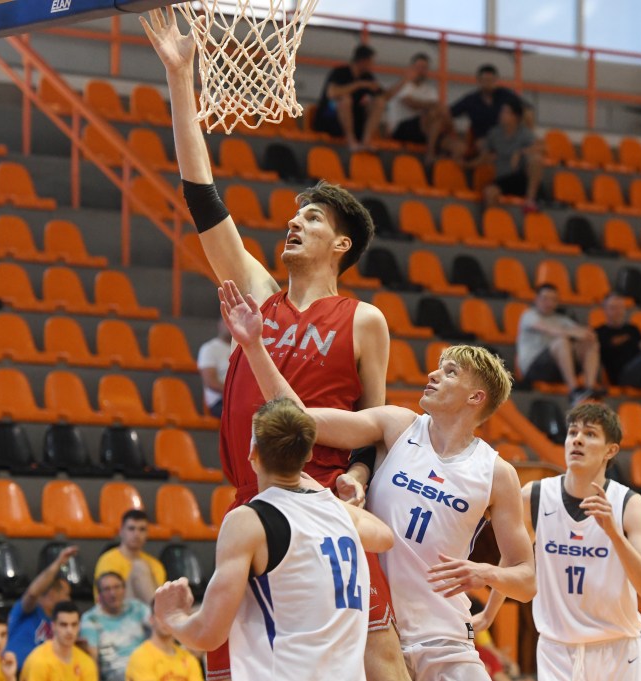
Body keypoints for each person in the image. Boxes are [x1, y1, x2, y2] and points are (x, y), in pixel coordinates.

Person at [140, 8, 401, 681]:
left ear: (341, 243)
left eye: (310, 217)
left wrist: (360, 478)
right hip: (253, 497)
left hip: (320, 501)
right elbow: (203, 198)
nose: (294, 220)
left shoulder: (364, 318)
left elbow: (374, 426)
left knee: (378, 653)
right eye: (293, 213)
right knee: (227, 663)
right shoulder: (256, 289)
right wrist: (180, 78)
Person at [221, 279, 535, 681]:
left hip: (446, 640)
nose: (433, 375)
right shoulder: (397, 425)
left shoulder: (496, 473)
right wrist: (253, 347)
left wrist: (486, 577)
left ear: (476, 398)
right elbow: (300, 418)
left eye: (450, 372)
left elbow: (527, 579)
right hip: (374, 631)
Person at [151, 397, 395, 681]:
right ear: (307, 456)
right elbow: (384, 538)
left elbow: (208, 635)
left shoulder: (248, 521)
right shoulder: (340, 515)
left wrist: (172, 617)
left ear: (253, 453)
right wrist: (324, 496)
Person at [511, 403, 641, 681]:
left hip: (617, 651)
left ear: (610, 450)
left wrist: (614, 535)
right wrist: (488, 612)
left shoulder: (629, 505)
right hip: (556, 650)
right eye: (572, 432)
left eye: (590, 434)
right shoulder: (534, 496)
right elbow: (513, 562)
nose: (577, 439)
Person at [516, 284, 603, 403]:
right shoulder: (529, 315)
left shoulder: (561, 319)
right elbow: (548, 329)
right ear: (536, 299)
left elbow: (584, 333)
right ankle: (574, 390)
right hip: (534, 368)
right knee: (561, 341)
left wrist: (586, 334)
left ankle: (589, 388)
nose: (549, 303)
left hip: (558, 368)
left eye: (553, 299)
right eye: (545, 298)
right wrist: (572, 333)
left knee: (590, 342)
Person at [5, 546, 76, 672]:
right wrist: (58, 563)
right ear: (53, 593)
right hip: (14, 671)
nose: (69, 600)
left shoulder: (61, 624)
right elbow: (32, 593)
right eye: (66, 594)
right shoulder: (29, 609)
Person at [311, 44, 394, 151]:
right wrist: (359, 84)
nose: (372, 65)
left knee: (379, 102)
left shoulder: (367, 77)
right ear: (363, 61)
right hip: (330, 118)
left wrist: (404, 81)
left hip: (354, 121)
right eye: (371, 62)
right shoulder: (340, 72)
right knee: (345, 100)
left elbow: (385, 96)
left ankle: (366, 140)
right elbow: (332, 93)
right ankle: (351, 142)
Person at [472, 100, 542, 210]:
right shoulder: (494, 133)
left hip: (520, 177)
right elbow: (483, 154)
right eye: (502, 111)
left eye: (506, 112)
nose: (501, 114)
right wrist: (468, 163)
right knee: (489, 192)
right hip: (503, 178)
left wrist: (520, 152)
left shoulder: (524, 133)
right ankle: (494, 223)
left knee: (536, 159)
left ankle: (530, 200)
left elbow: (543, 148)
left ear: (515, 117)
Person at [81, 572, 151, 681]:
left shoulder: (137, 608)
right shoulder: (90, 619)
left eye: (117, 587)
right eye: (107, 589)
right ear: (99, 595)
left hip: (147, 670)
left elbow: (161, 627)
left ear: (124, 589)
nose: (113, 593)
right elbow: (91, 661)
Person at [94, 510, 166, 603]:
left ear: (147, 533)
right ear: (121, 531)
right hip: (119, 612)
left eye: (142, 529)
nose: (136, 534)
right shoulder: (107, 560)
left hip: (146, 612)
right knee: (139, 567)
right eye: (131, 529)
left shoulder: (156, 564)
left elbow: (159, 595)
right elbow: (104, 598)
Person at [386, 53, 447, 156]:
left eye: (424, 68)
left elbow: (438, 108)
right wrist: (430, 105)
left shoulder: (430, 89)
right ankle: (431, 152)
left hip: (423, 129)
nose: (421, 71)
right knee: (431, 114)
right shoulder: (403, 85)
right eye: (418, 67)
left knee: (456, 145)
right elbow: (410, 103)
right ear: (411, 68)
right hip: (400, 129)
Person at [20, 602, 97, 681]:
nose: (69, 631)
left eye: (74, 624)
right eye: (63, 624)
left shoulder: (86, 662)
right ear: (53, 626)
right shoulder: (38, 661)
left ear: (79, 627)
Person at [449, 64, 521, 142]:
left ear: (496, 80)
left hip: (505, 138)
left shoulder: (507, 96)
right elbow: (450, 112)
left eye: (492, 80)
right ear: (479, 81)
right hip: (481, 140)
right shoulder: (471, 100)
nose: (488, 84)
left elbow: (526, 110)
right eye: (485, 80)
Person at [125, 610, 203, 681]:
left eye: (170, 616)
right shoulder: (140, 657)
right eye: (161, 616)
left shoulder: (189, 658)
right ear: (151, 619)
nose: (165, 621)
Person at [197, 320, 232, 418]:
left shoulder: (243, 348)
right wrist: (235, 393)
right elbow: (211, 382)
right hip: (220, 401)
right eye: (228, 321)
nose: (231, 324)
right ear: (220, 324)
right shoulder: (209, 348)